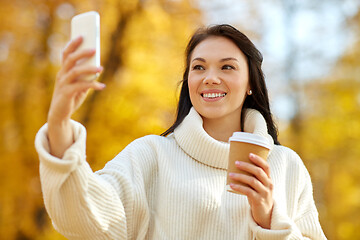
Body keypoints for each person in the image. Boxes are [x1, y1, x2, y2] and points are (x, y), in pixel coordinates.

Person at [35, 24, 327, 239]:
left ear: (251, 82)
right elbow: (87, 218)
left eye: (227, 67)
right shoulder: (150, 155)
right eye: (198, 68)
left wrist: (268, 219)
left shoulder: (286, 167)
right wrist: (59, 121)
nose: (210, 78)